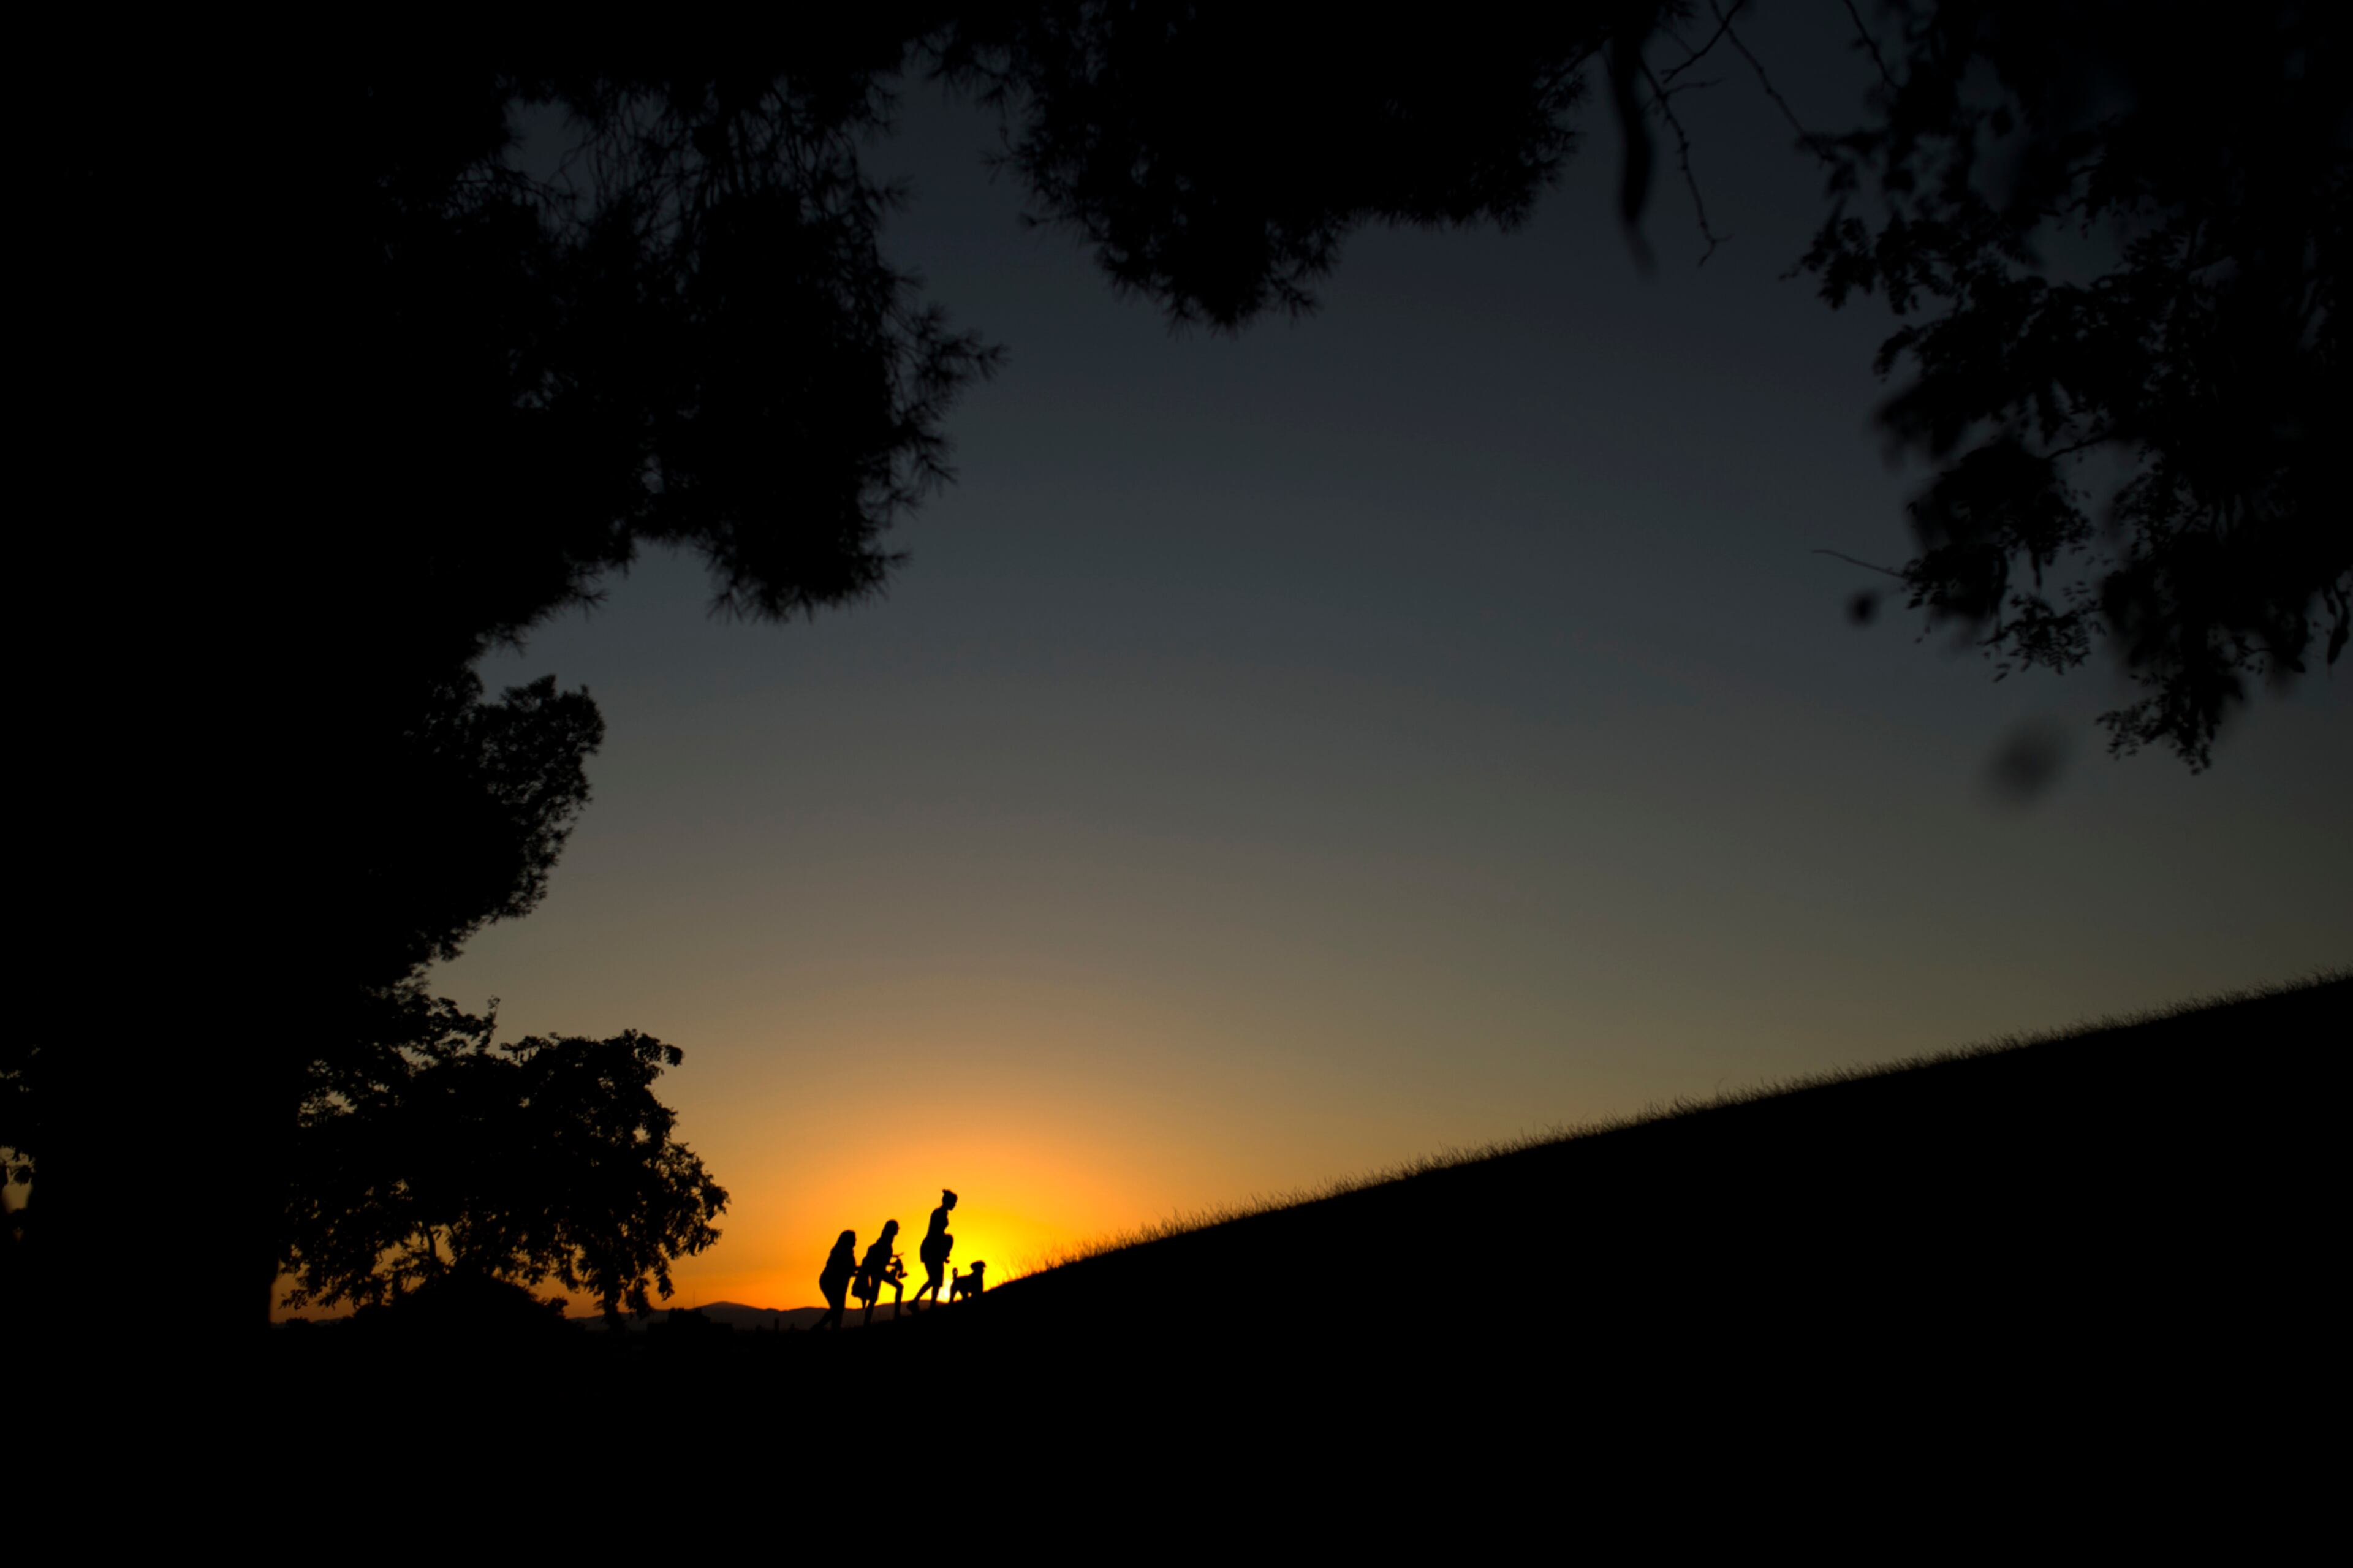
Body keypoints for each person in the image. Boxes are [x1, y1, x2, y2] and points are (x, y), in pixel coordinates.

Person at [908, 1188, 958, 1309]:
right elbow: (936, 1233)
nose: (955, 1205)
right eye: (954, 1203)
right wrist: (945, 1247)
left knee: (937, 1281)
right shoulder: (938, 1213)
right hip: (931, 1248)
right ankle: (915, 1302)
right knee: (934, 1280)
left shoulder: (942, 1213)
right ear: (948, 1202)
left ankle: (930, 1305)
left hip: (935, 1248)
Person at [855, 1219, 901, 1327]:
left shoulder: (886, 1241)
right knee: (897, 1288)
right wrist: (894, 1265)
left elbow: (883, 1261)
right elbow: (882, 1262)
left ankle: (867, 1322)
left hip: (878, 1271)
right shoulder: (886, 1243)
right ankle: (896, 1316)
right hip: (878, 1272)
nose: (897, 1232)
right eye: (896, 1229)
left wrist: (892, 1264)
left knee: (874, 1298)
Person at [811, 1229, 857, 1331]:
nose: (856, 1241)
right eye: (854, 1239)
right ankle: (819, 1328)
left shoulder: (848, 1252)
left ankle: (831, 1329)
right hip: (830, 1283)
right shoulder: (839, 1252)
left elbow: (849, 1270)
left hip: (839, 1284)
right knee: (838, 1308)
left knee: (838, 1309)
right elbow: (842, 1269)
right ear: (848, 1240)